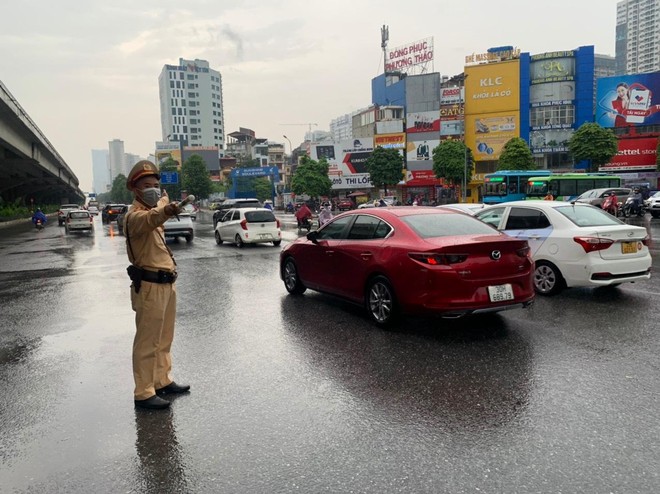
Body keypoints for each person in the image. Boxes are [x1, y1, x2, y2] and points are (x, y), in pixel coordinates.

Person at [124, 160, 190, 410]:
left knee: (164, 339)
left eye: (156, 185)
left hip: (166, 283)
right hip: (150, 286)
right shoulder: (135, 217)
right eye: (147, 185)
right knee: (147, 341)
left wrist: (164, 205)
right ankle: (143, 391)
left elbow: (157, 216)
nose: (153, 189)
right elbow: (153, 217)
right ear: (136, 190)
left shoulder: (153, 211)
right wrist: (166, 206)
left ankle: (162, 380)